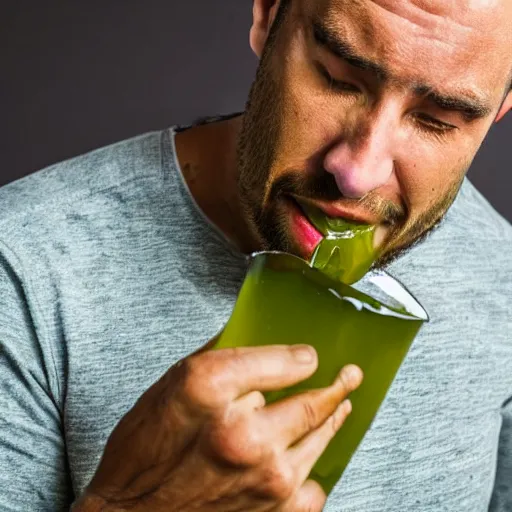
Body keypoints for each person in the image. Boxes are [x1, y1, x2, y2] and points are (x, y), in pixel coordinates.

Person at [1, 0, 511, 510]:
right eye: (337, 78)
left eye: (439, 120)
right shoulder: (21, 272)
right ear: (268, 16)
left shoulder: (502, 275)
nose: (357, 173)